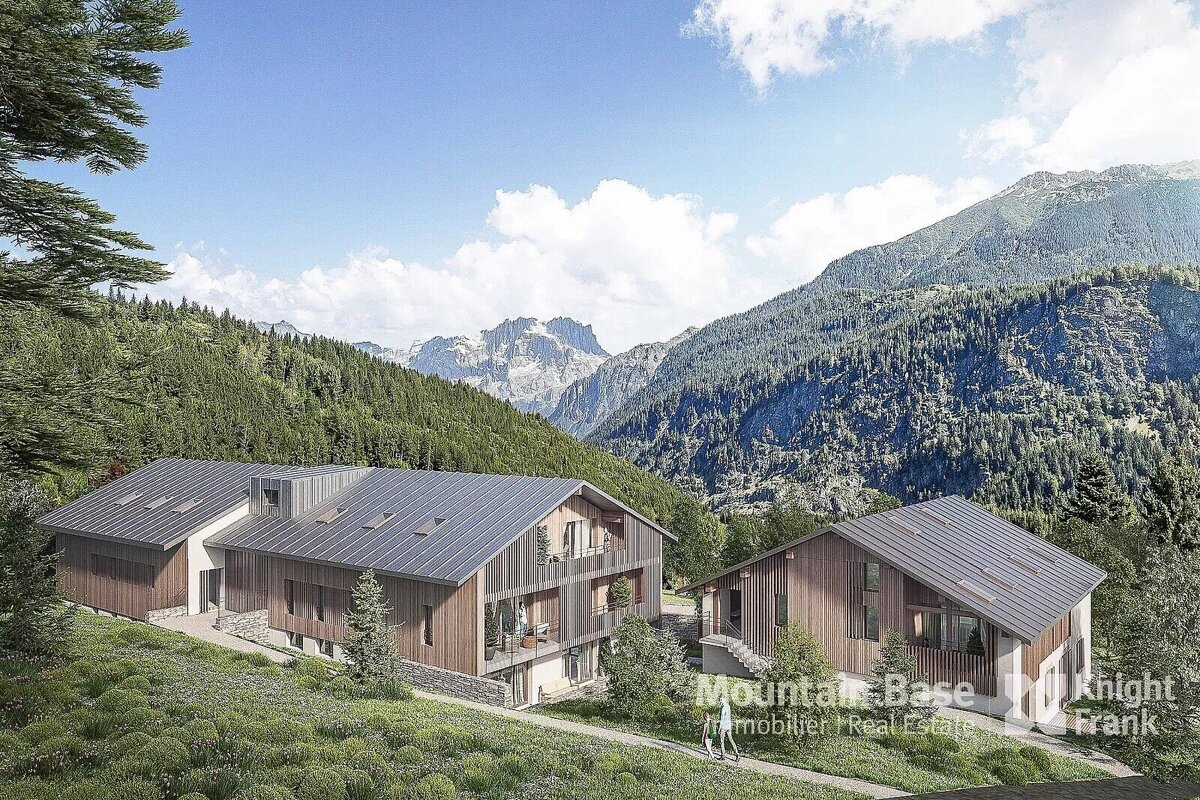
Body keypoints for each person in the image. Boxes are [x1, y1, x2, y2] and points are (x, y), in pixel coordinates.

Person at [719, 694, 740, 762]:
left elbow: (722, 719)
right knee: (731, 739)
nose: (720, 701)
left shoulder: (723, 708)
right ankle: (737, 754)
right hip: (728, 726)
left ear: (724, 699)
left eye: (721, 700)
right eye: (720, 700)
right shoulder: (728, 706)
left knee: (721, 741)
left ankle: (723, 755)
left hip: (724, 726)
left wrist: (720, 728)